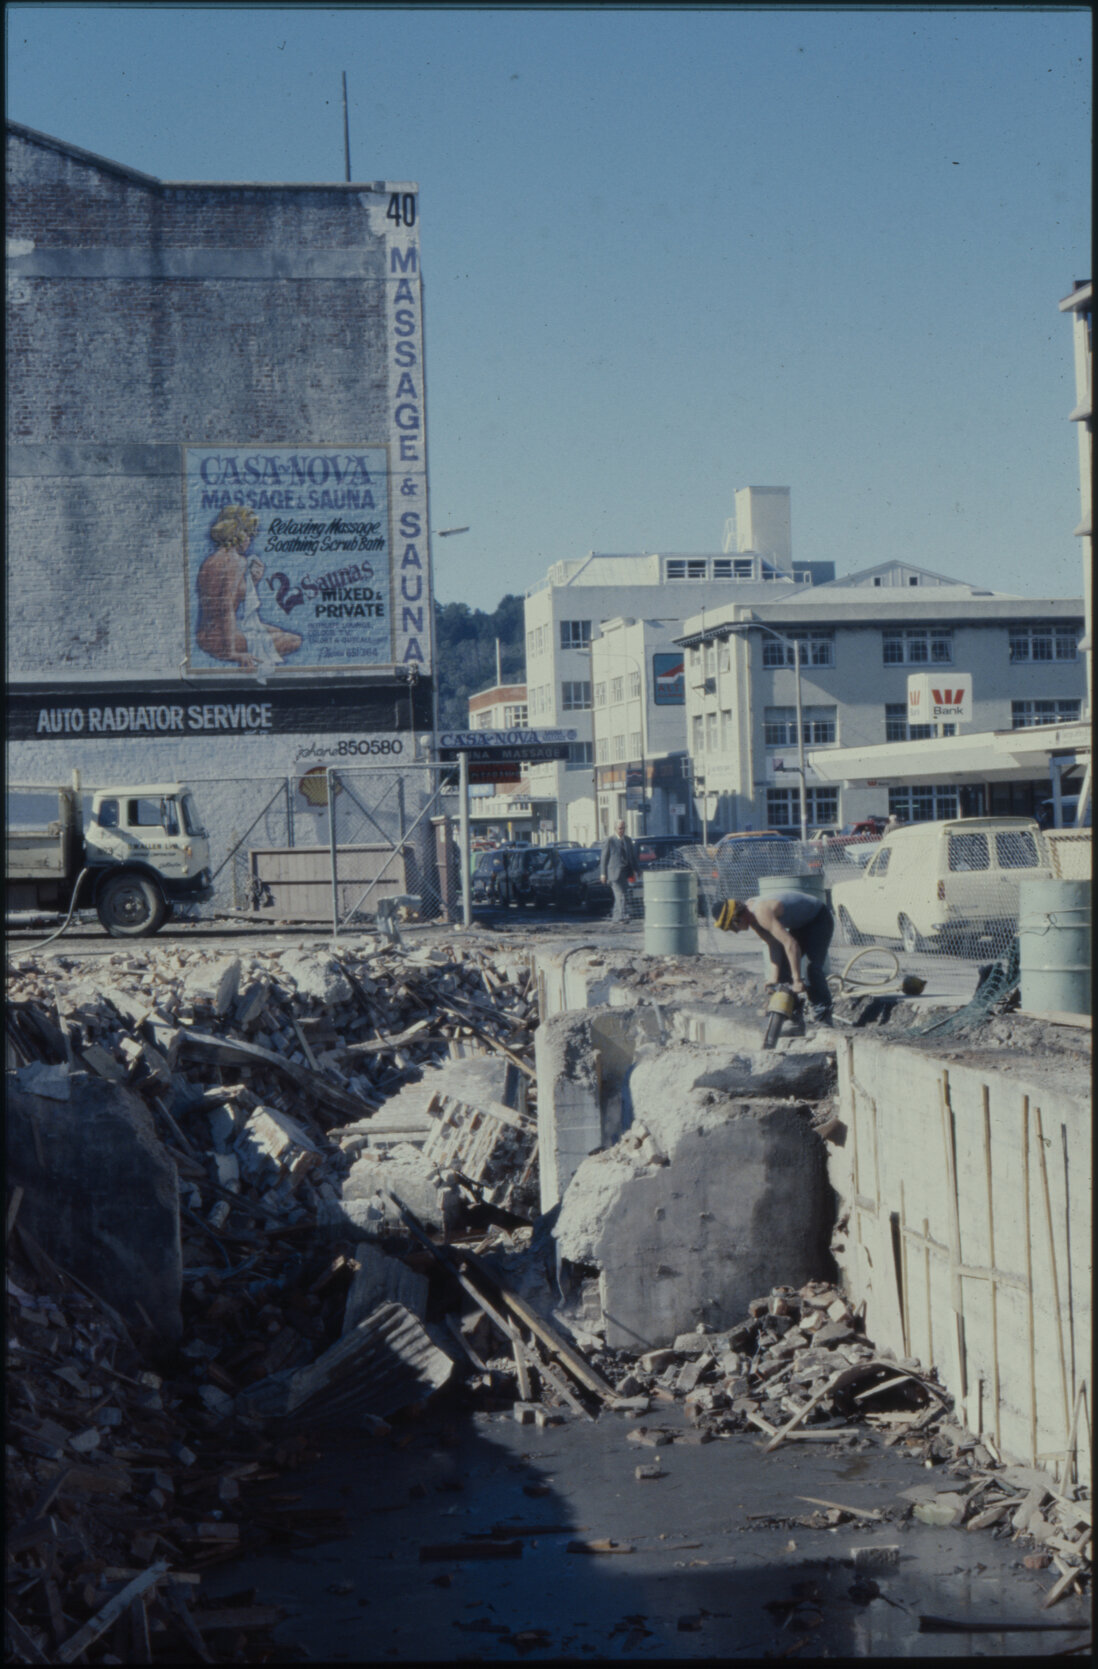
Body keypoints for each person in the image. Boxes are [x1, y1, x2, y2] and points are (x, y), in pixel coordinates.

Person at [715, 888, 835, 1025]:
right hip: (802, 924)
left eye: (733, 928)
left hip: (819, 919)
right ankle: (793, 1019)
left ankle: (823, 1018)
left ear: (737, 919)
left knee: (811, 968)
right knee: (783, 971)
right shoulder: (752, 919)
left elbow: (791, 944)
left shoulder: (760, 912)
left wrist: (797, 980)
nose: (736, 932)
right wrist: (773, 978)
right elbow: (774, 945)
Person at [600, 818, 638, 924]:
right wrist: (603, 873)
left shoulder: (628, 840)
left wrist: (637, 869)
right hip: (613, 874)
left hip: (625, 872)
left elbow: (632, 857)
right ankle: (623, 916)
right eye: (620, 828)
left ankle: (616, 918)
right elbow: (604, 858)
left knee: (622, 895)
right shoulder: (610, 840)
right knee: (621, 895)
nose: (622, 830)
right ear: (615, 828)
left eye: (624, 828)